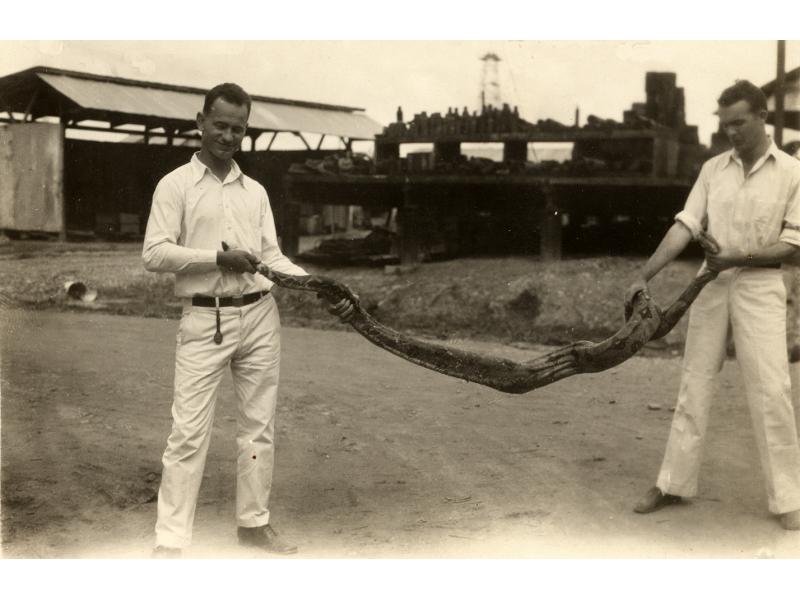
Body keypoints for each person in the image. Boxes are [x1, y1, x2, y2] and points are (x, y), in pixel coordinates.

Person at [142, 82, 353, 557]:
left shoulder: (254, 191)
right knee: (188, 433)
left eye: (238, 128)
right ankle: (170, 543)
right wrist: (217, 261)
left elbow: (271, 256)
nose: (228, 135)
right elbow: (154, 253)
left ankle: (253, 524)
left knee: (258, 428)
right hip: (204, 319)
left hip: (260, 316)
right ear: (200, 122)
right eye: (220, 125)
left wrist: (317, 285)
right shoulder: (175, 185)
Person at [626, 80, 800, 531]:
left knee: (772, 391)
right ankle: (673, 483)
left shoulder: (792, 172)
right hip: (711, 283)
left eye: (739, 123)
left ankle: (788, 498)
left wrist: (736, 258)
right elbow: (685, 226)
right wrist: (643, 275)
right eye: (725, 125)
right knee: (695, 383)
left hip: (760, 288)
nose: (731, 133)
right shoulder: (712, 169)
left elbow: (793, 246)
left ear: (764, 117)